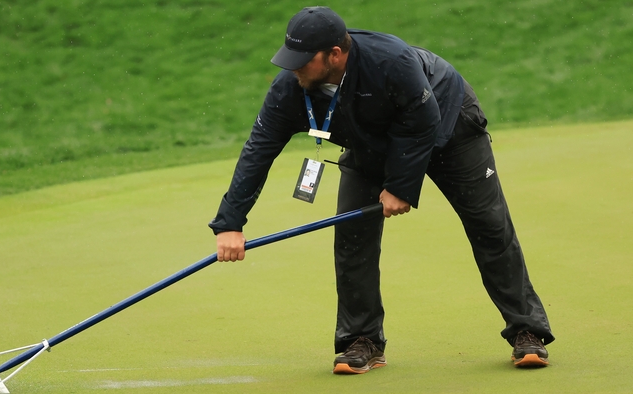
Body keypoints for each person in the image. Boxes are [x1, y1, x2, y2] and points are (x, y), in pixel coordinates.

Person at [209, 6, 555, 374]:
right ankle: (363, 340)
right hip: (370, 141)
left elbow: (424, 121)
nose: (293, 68)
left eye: (303, 60)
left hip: (449, 125)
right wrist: (230, 222)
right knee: (352, 237)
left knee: (489, 224)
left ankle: (527, 331)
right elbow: (258, 150)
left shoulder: (391, 61)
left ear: (335, 55)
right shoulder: (290, 89)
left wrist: (399, 186)